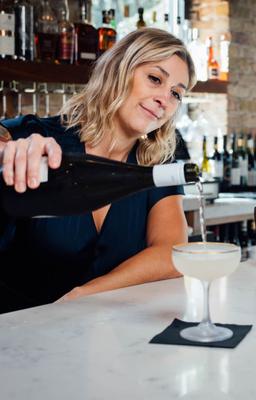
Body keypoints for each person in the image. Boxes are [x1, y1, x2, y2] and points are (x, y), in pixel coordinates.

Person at [0, 28, 196, 313]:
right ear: (119, 70)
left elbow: (172, 253)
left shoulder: (158, 164)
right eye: (155, 79)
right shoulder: (39, 137)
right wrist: (10, 150)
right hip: (17, 337)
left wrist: (85, 295)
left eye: (176, 94)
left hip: (108, 338)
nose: (164, 99)